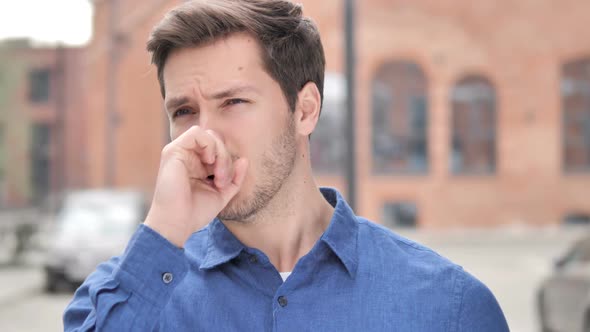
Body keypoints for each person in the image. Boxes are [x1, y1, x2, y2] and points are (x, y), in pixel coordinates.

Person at [64, 0, 509, 331]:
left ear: (305, 110)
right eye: (183, 111)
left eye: (234, 102)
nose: (203, 136)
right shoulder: (129, 298)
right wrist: (163, 231)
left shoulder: (446, 306)